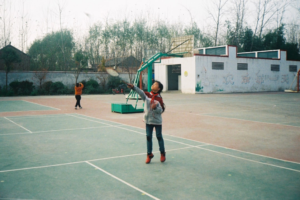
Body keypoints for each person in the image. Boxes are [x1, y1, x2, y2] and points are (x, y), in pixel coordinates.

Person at [127, 81, 166, 164]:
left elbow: (161, 110)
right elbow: (140, 92)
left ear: (158, 89)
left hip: (157, 121)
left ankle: (162, 153)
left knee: (159, 136)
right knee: (148, 137)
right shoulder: (147, 95)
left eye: (155, 84)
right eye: (153, 83)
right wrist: (133, 87)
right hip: (148, 120)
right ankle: (149, 154)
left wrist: (155, 108)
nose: (153, 84)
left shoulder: (159, 99)